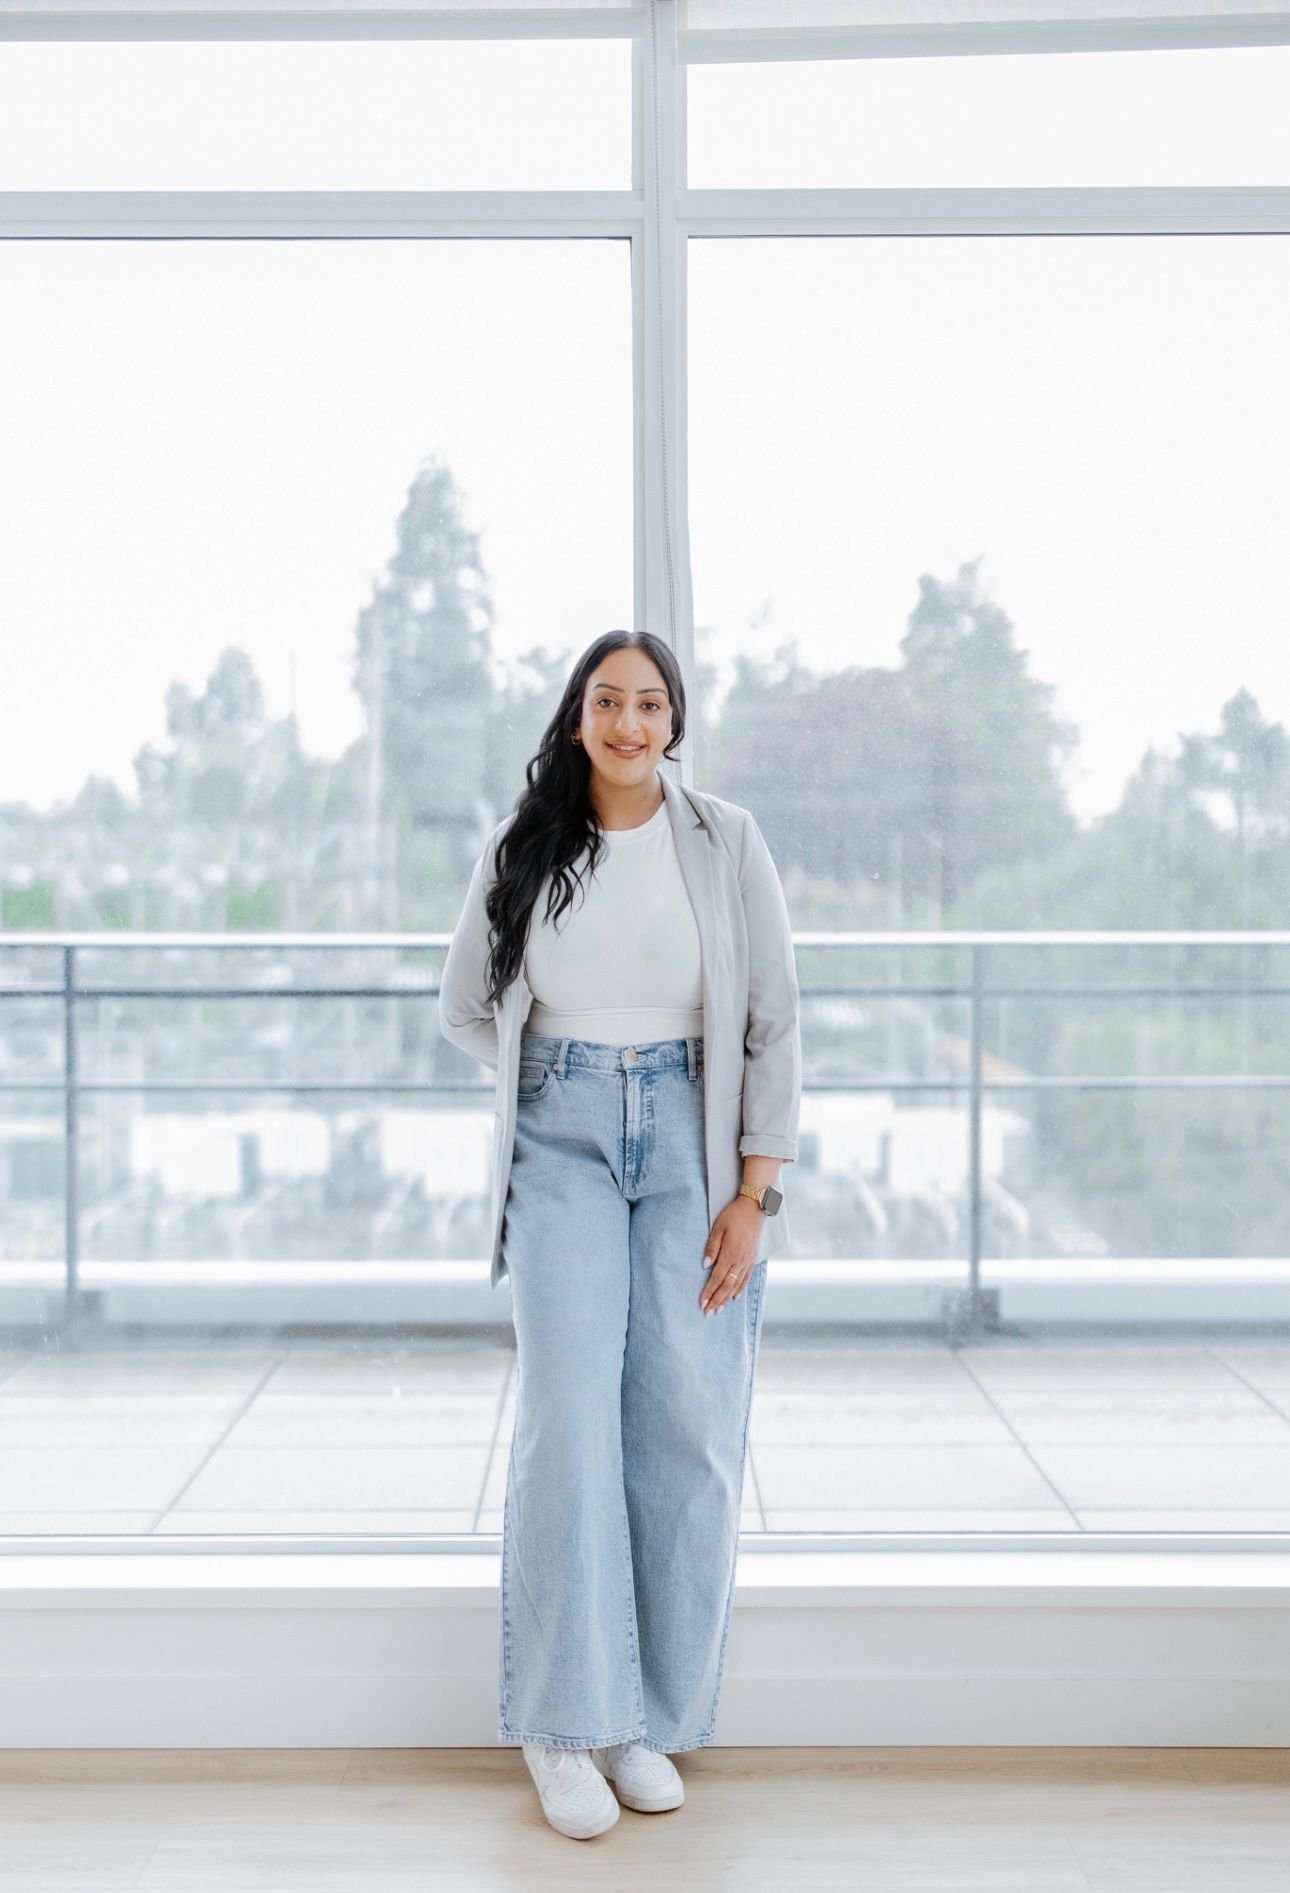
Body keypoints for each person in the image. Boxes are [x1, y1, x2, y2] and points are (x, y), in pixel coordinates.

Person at [438, 630, 801, 1840]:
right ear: (579, 715)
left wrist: (756, 1194)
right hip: (565, 1139)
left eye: (650, 703)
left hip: (696, 1143)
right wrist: (551, 1083)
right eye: (608, 701)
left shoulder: (728, 841)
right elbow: (464, 1006)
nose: (629, 723)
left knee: (684, 1422)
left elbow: (771, 1023)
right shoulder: (529, 836)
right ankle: (558, 1720)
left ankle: (637, 1716)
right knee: (570, 1420)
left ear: (676, 721)